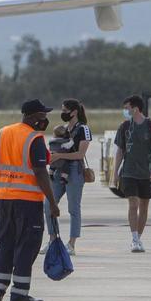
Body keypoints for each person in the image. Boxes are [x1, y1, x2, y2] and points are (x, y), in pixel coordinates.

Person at [0, 99, 60, 301]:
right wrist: (53, 202)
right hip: (27, 202)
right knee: (26, 247)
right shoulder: (34, 138)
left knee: (5, 244)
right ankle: (18, 296)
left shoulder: (2, 133)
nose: (45, 119)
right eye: (42, 115)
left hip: (4, 199)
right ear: (31, 116)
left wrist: (2, 186)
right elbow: (40, 172)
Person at [114, 94, 151, 253]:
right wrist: (115, 172)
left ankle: (139, 237)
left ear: (135, 109)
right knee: (133, 204)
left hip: (147, 173)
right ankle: (134, 239)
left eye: (127, 108)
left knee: (144, 206)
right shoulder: (124, 127)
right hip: (129, 172)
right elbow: (120, 150)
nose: (125, 111)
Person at [46, 98, 92, 254]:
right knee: (48, 204)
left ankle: (72, 244)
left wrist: (59, 156)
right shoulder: (63, 128)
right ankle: (53, 240)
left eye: (65, 111)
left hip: (74, 170)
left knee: (73, 208)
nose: (63, 113)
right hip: (59, 168)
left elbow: (80, 154)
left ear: (74, 112)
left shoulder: (83, 129)